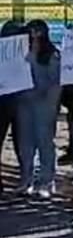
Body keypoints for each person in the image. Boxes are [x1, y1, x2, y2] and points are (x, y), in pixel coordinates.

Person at [15, 20, 62, 198]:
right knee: (25, 144)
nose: (33, 36)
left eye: (37, 32)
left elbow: (56, 82)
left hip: (44, 103)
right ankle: (26, 180)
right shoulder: (20, 52)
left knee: (45, 142)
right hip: (24, 103)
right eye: (31, 32)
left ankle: (47, 182)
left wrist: (52, 105)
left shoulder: (52, 55)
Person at [0, 20, 24, 196]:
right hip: (19, 103)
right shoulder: (25, 52)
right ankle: (26, 176)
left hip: (7, 102)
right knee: (22, 142)